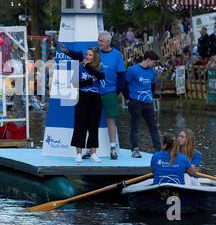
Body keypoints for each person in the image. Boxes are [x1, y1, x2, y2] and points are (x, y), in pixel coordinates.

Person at [60, 43, 105, 163]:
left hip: (95, 98)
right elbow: (74, 84)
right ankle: (79, 153)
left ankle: (93, 152)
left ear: (95, 57)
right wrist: (87, 82)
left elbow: (101, 76)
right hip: (83, 97)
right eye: (87, 54)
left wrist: (89, 67)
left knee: (94, 125)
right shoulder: (79, 66)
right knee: (80, 125)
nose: (88, 56)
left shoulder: (99, 67)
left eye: (90, 55)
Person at [123, 50, 161, 158]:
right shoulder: (132, 70)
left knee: (153, 126)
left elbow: (152, 86)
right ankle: (135, 149)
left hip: (147, 102)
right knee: (135, 125)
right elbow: (124, 85)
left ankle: (158, 150)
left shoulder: (152, 71)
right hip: (135, 101)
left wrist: (150, 97)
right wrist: (128, 99)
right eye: (153, 62)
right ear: (148, 60)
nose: (154, 64)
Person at [97, 31, 126, 159]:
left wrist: (116, 92)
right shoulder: (96, 54)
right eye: (98, 41)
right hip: (96, 92)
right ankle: (90, 149)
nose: (99, 43)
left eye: (101, 41)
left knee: (111, 120)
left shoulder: (117, 55)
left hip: (110, 92)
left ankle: (112, 148)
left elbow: (122, 75)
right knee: (92, 120)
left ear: (108, 42)